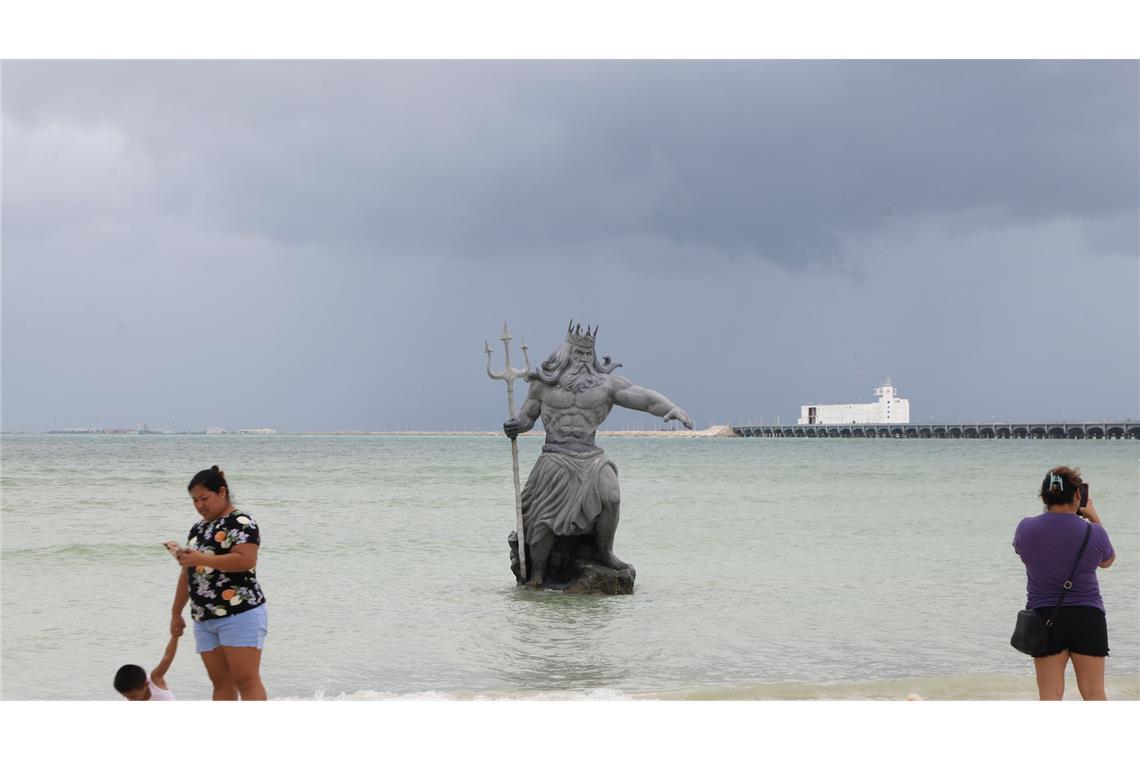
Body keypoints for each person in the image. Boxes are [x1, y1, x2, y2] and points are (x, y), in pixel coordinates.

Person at [503, 321, 692, 587]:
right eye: (577, 354)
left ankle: (605, 551)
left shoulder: (607, 385)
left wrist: (672, 408)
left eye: (587, 355)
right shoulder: (543, 386)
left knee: (611, 497)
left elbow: (645, 398)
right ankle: (537, 574)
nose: (582, 360)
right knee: (542, 522)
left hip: (591, 458)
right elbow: (527, 417)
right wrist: (515, 425)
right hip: (554, 457)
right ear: (565, 353)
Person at [1013, 466, 1115, 700]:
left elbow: (1023, 553)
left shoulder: (1025, 528)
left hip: (1044, 616)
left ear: (1043, 496)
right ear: (1078, 496)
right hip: (1087, 616)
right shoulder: (1094, 532)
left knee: (1050, 695)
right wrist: (1094, 519)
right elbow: (1107, 561)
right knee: (1094, 693)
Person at [171, 466, 268, 700]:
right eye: (194, 500)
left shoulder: (241, 522)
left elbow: (246, 560)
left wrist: (200, 558)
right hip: (204, 617)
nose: (199, 505)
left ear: (222, 492)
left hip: (240, 612)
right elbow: (188, 573)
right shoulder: (198, 528)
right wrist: (176, 612)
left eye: (204, 498)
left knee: (246, 680)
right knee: (220, 683)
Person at [114, 632, 180, 700]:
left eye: (133, 696)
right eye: (125, 696)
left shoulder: (155, 680)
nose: (131, 700)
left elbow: (167, 657)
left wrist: (175, 637)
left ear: (146, 684)